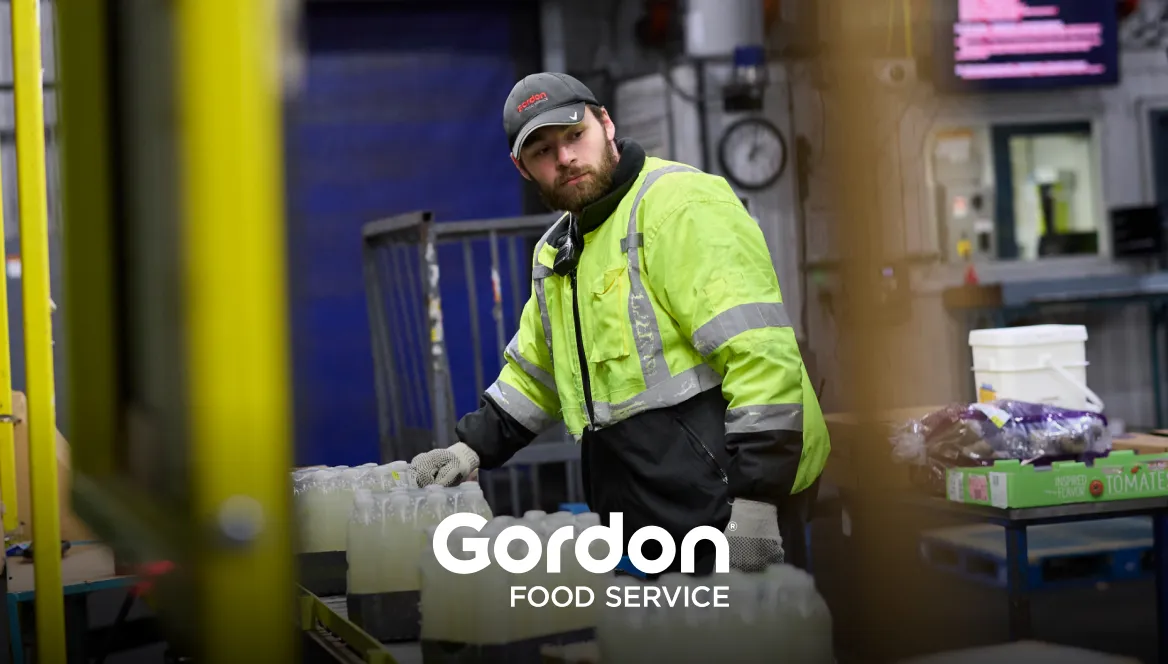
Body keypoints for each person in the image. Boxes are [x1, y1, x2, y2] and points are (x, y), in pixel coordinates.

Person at [411, 72, 829, 575]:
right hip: (646, 515)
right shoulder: (558, 250)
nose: (564, 157)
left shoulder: (681, 207)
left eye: (573, 135)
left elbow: (759, 354)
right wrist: (469, 448)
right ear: (522, 169)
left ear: (606, 123)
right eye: (542, 150)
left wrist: (758, 500)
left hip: (729, 505)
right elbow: (537, 371)